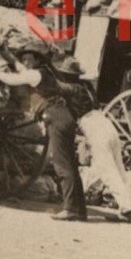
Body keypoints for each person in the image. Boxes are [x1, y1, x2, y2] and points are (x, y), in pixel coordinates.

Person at [40, 51, 95, 221]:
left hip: (82, 124)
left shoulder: (72, 88)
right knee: (71, 165)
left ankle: (70, 209)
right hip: (83, 124)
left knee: (62, 166)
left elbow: (54, 84)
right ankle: (80, 211)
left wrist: (46, 66)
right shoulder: (84, 86)